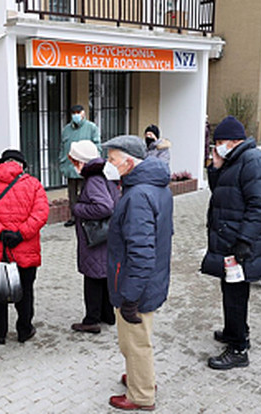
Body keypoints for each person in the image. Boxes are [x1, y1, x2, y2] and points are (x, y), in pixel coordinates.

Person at [104, 135, 173, 411]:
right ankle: (139, 377)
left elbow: (141, 253)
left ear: (129, 162)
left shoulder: (138, 196)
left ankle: (141, 394)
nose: (108, 165)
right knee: (136, 339)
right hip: (149, 279)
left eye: (112, 160)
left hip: (137, 284)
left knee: (135, 343)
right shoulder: (153, 186)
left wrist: (130, 296)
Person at [200, 116, 261, 370]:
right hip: (228, 239)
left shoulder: (253, 162)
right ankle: (234, 332)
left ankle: (239, 349)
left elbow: (260, 207)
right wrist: (215, 167)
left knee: (235, 295)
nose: (216, 147)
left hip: (239, 244)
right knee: (230, 291)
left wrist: (244, 240)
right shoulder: (235, 160)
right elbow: (221, 192)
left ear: (234, 141)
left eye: (220, 142)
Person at [0, 149, 49, 345]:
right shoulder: (34, 185)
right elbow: (40, 214)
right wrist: (20, 234)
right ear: (22, 165)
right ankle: (24, 330)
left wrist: (0, 233)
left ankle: (0, 333)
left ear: (1, 163)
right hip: (25, 247)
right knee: (25, 290)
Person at [68, 140, 120, 334]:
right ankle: (108, 315)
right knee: (103, 276)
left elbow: (105, 206)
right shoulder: (105, 173)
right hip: (104, 236)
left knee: (92, 278)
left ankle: (91, 320)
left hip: (96, 238)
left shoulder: (93, 179)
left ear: (80, 161)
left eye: (74, 161)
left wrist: (78, 208)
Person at [59, 104, 101, 227]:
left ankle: (85, 216)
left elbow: (97, 146)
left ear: (83, 114)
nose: (76, 115)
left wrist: (94, 164)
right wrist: (62, 162)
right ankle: (74, 216)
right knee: (72, 195)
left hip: (86, 168)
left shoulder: (91, 127)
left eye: (79, 112)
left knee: (86, 193)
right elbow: (62, 147)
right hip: (70, 167)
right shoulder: (66, 129)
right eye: (74, 113)